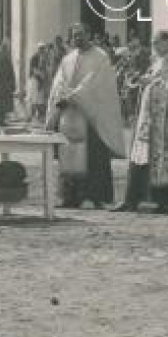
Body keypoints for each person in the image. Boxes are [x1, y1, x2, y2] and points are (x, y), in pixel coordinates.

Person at [48, 24, 123, 209]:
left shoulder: (100, 57)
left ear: (89, 35)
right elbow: (59, 82)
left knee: (94, 156)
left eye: (81, 35)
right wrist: (62, 96)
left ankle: (96, 196)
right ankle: (70, 196)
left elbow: (96, 82)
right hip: (70, 115)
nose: (77, 39)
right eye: (74, 36)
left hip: (92, 117)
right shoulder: (68, 59)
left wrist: (74, 96)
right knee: (69, 154)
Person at [120, 31, 168, 213]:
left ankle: (166, 199)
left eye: (157, 43)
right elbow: (154, 80)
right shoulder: (157, 61)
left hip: (166, 120)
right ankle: (143, 197)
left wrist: (148, 82)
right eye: (153, 43)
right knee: (144, 156)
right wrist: (140, 80)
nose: (154, 47)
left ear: (167, 42)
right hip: (151, 118)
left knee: (164, 160)